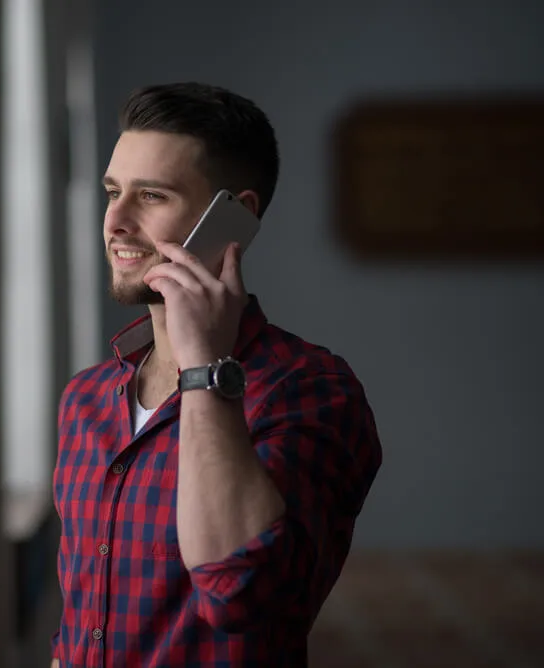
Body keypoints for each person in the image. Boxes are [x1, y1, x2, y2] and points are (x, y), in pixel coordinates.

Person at [49, 83, 382, 667]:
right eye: (112, 192)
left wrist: (203, 370)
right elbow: (80, 622)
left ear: (234, 218)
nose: (117, 221)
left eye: (151, 195)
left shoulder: (309, 390)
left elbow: (241, 592)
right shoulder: (86, 399)